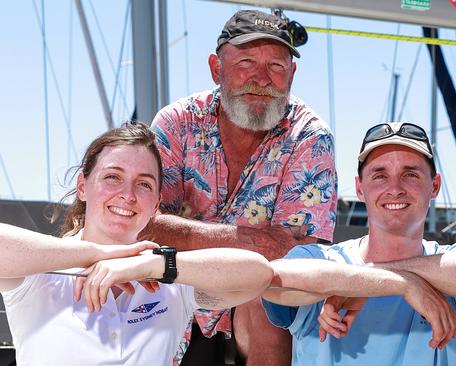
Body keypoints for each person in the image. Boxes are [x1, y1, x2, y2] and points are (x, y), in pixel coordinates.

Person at [146, 9, 337, 366]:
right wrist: (250, 241)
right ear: (216, 68)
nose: (261, 79)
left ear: (292, 75)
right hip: (176, 293)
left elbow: (300, 256)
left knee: (266, 286)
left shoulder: (309, 136)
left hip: (258, 311)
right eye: (246, 62)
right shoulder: (176, 123)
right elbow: (146, 225)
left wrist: (192, 238)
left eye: (276, 67)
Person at [0, 122, 273, 365]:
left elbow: (258, 274)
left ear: (156, 204)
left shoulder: (170, 280)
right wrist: (100, 255)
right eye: (112, 177)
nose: (128, 195)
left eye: (143, 184)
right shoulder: (37, 274)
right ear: (82, 186)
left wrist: (153, 265)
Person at [262, 122, 456, 365]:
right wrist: (405, 285)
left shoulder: (451, 268)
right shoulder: (323, 260)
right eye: (380, 176)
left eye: (410, 174)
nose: (395, 188)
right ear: (359, 188)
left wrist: (377, 279)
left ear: (435, 186)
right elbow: (272, 279)